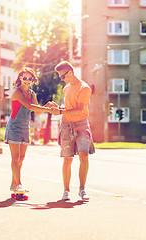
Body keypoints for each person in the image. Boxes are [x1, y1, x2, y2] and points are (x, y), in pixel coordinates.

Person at [49, 61, 95, 201]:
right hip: (66, 124)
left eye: (62, 76)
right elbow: (68, 107)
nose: (61, 79)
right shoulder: (66, 88)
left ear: (70, 72)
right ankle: (66, 191)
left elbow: (80, 108)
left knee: (84, 155)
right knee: (67, 158)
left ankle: (82, 189)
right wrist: (59, 108)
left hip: (81, 124)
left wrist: (61, 110)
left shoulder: (84, 88)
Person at [5, 67, 53, 193]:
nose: (27, 80)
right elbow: (29, 106)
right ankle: (19, 184)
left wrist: (47, 106)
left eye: (29, 78)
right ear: (20, 78)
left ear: (33, 80)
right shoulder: (17, 93)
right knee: (15, 157)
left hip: (25, 126)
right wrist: (47, 109)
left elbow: (37, 110)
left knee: (21, 158)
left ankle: (13, 184)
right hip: (14, 126)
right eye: (24, 77)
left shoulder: (32, 94)